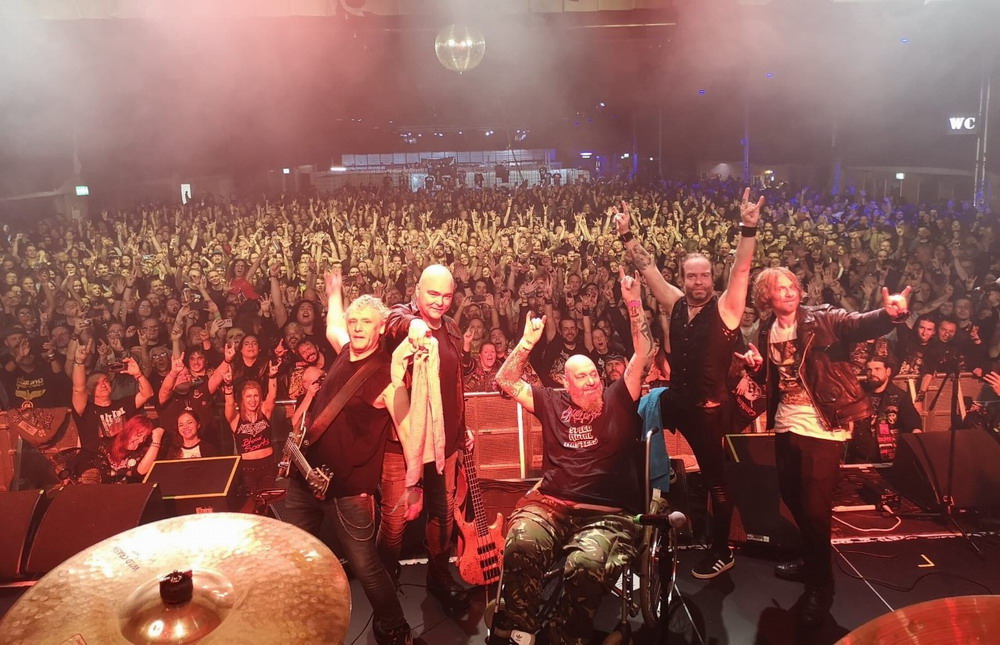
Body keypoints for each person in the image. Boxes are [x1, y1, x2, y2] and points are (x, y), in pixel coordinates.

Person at [489, 268, 652, 645]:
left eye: (594, 374)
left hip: (606, 516)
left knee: (585, 563)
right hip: (552, 507)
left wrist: (634, 303)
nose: (592, 380)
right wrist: (526, 341)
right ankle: (521, 630)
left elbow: (643, 351)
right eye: (582, 377)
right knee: (521, 541)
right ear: (566, 381)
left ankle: (565, 635)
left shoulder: (618, 397)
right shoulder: (550, 401)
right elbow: (506, 381)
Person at [740, 268, 911, 627]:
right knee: (792, 496)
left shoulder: (823, 318)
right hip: (786, 422)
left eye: (792, 287)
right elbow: (774, 377)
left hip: (823, 425)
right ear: (766, 297)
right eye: (779, 289)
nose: (788, 293)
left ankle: (822, 586)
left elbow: (858, 324)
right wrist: (756, 369)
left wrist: (889, 315)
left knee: (816, 511)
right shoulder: (765, 329)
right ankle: (810, 560)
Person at [616, 189, 764, 579]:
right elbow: (649, 271)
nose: (698, 282)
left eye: (705, 275)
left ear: (713, 278)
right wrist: (627, 235)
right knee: (630, 421)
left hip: (709, 413)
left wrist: (748, 227)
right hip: (679, 400)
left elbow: (742, 270)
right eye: (691, 276)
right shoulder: (678, 303)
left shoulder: (726, 309)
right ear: (683, 278)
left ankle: (721, 550)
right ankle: (644, 502)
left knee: (717, 483)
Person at [284, 282, 423, 645]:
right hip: (304, 478)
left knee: (367, 567)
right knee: (295, 553)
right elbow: (333, 325)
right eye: (354, 321)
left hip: (349, 492)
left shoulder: (386, 375)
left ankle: (394, 627)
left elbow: (408, 431)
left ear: (381, 327)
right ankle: (304, 618)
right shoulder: (346, 348)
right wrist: (334, 291)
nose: (358, 327)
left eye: (366, 322)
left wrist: (414, 484)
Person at [379, 264, 471, 614]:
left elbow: (455, 384)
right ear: (417, 291)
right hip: (403, 444)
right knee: (395, 520)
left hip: (444, 442)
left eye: (447, 296)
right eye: (433, 294)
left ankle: (439, 578)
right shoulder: (402, 320)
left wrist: (462, 429)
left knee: (443, 516)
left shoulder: (452, 329)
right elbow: (393, 319)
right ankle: (385, 583)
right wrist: (413, 325)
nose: (440, 302)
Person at [71, 340, 153, 452]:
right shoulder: (85, 410)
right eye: (96, 384)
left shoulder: (123, 404)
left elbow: (147, 394)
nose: (103, 385)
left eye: (105, 381)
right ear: (89, 391)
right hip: (95, 459)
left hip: (123, 457)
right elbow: (78, 389)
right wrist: (79, 363)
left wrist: (138, 374)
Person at [223, 359, 280, 512]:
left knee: (267, 506)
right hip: (247, 470)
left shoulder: (265, 412)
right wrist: (228, 385)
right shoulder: (235, 419)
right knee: (249, 507)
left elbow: (272, 396)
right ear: (242, 399)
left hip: (268, 467)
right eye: (248, 396)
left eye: (256, 396)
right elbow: (229, 404)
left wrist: (272, 376)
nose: (252, 400)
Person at [848, 356, 923, 463]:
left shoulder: (900, 396)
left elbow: (913, 422)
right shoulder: (858, 394)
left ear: (888, 371)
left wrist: (916, 434)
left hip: (888, 459)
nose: (873, 373)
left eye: (877, 369)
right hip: (859, 458)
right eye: (869, 370)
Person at [92, 414, 165, 483]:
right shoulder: (105, 444)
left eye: (145, 437)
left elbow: (141, 471)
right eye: (139, 435)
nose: (141, 440)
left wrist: (156, 440)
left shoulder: (140, 452)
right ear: (128, 430)